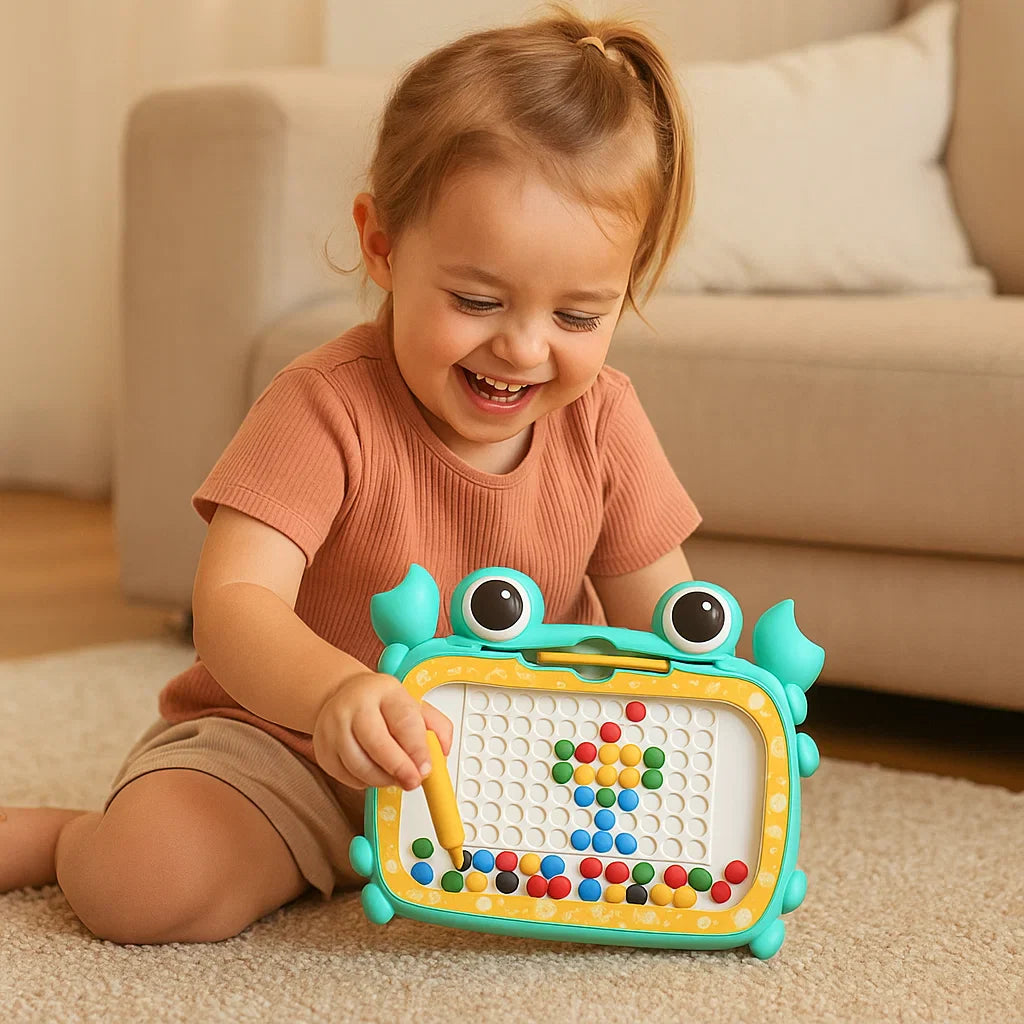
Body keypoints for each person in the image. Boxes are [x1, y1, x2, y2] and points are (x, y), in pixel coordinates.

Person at [0, 2, 701, 943]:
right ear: (382, 243)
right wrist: (332, 692)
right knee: (146, 886)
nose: (525, 347)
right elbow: (234, 602)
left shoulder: (607, 419)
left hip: (513, 777)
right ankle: (67, 840)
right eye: (477, 298)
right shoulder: (325, 403)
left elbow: (670, 633)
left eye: (579, 317)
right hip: (289, 755)